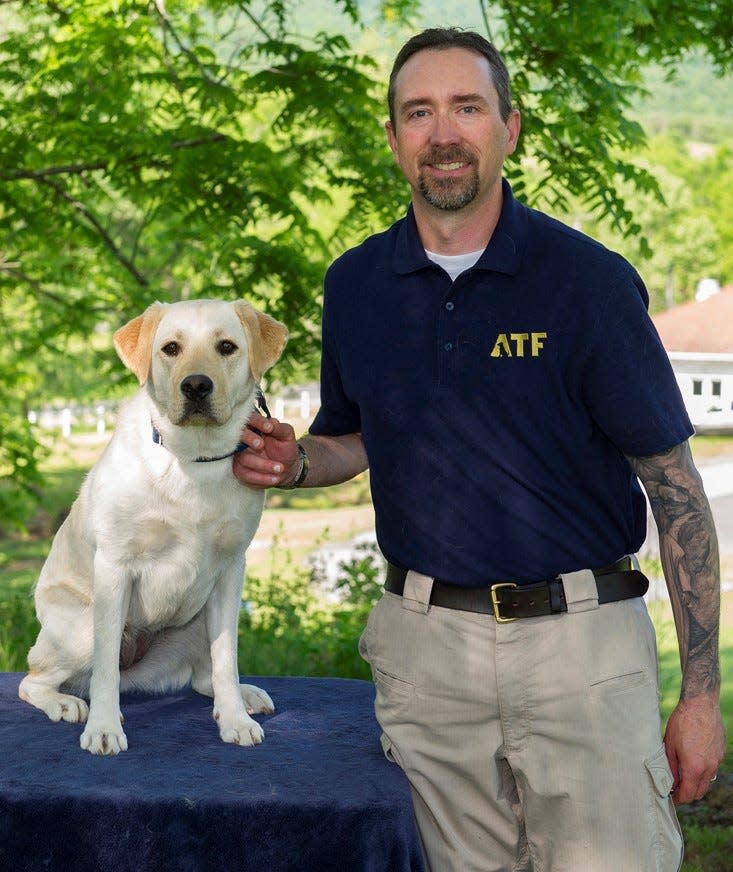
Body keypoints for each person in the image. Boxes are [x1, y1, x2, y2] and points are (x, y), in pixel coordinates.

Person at [233, 27, 725, 871]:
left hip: (584, 655)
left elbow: (673, 485)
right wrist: (297, 462)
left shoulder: (587, 282)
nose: (443, 132)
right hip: (426, 659)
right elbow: (353, 438)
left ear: (510, 126)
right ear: (392, 139)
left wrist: (702, 695)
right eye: (418, 112)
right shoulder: (355, 285)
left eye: (467, 106)